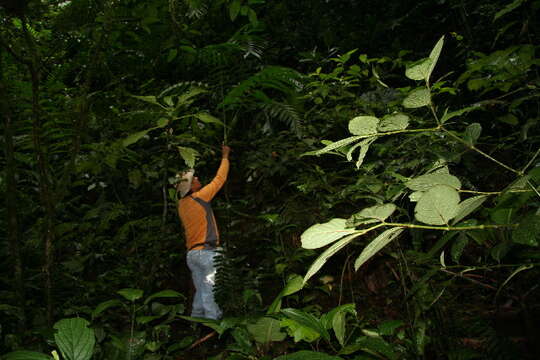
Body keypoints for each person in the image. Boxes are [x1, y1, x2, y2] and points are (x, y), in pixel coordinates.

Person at [176, 144, 230, 320]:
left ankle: (196, 323)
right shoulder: (200, 197)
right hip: (207, 253)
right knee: (210, 291)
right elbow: (219, 179)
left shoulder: (181, 205)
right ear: (192, 187)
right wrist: (225, 156)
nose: (198, 178)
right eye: (195, 179)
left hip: (192, 254)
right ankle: (213, 325)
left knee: (201, 292)